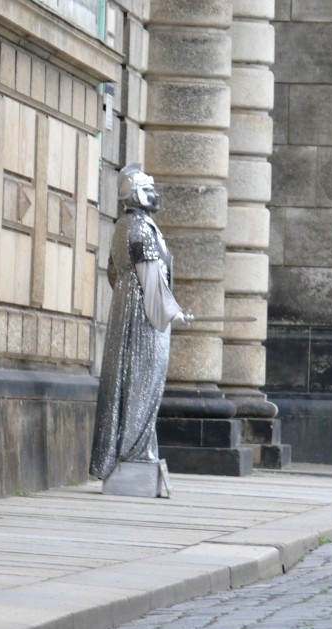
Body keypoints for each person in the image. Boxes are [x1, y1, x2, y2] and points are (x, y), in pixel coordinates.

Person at [90, 164, 189, 482]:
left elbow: (113, 272)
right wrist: (173, 312)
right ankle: (133, 451)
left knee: (133, 381)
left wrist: (126, 297)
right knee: (143, 383)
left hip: (129, 311)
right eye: (147, 186)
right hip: (146, 320)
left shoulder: (126, 225)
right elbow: (152, 278)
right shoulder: (141, 228)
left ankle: (135, 450)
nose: (153, 190)